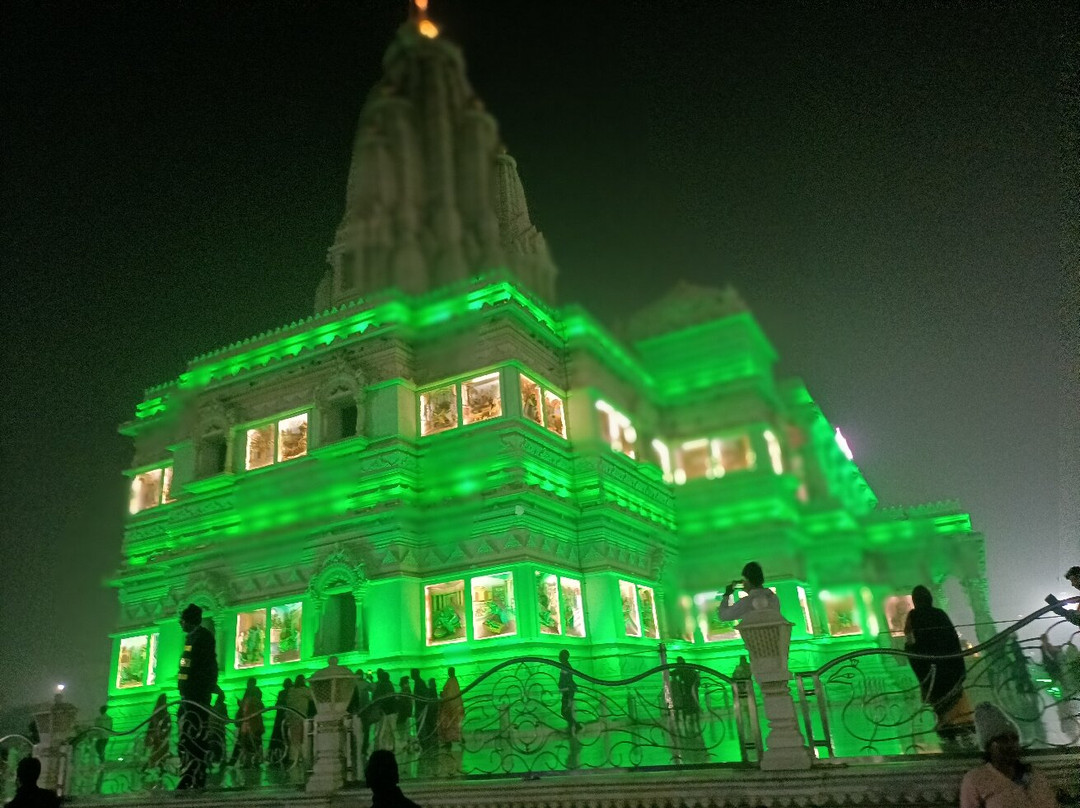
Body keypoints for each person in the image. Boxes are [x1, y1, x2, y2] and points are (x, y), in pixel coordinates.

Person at [903, 584, 975, 748]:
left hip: (930, 668)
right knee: (957, 700)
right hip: (949, 665)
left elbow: (909, 639)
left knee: (941, 702)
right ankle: (966, 733)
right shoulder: (940, 614)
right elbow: (952, 639)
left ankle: (948, 734)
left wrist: (910, 651)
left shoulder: (913, 616)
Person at [959, 702, 1059, 808]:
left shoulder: (1034, 776)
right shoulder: (975, 779)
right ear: (988, 746)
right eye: (1002, 739)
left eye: (1014, 739)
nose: (1011, 744)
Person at [176, 602, 218, 789]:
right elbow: (185, 666)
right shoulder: (192, 638)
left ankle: (195, 772)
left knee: (195, 732)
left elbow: (204, 665)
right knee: (188, 732)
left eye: (182, 620)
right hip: (189, 693)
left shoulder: (201, 638)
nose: (180, 624)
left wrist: (205, 686)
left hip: (196, 693)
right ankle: (191, 771)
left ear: (189, 621)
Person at [232, 678, 264, 768]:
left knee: (246, 743)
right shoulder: (257, 696)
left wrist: (241, 704)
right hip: (256, 724)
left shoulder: (250, 695)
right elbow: (261, 707)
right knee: (255, 743)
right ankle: (256, 761)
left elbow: (245, 707)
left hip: (248, 724)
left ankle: (246, 762)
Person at [285, 673, 313, 769]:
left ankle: (293, 757)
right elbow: (313, 697)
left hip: (292, 716)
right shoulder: (304, 690)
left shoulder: (291, 691)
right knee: (302, 738)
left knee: (294, 739)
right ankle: (300, 757)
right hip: (301, 717)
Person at [267, 678, 292, 767]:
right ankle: (284, 756)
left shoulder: (282, 693)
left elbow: (277, 705)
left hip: (280, 718)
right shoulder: (290, 692)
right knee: (285, 737)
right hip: (286, 717)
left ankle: (276, 756)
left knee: (279, 737)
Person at [144, 694, 171, 772]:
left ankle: (155, 769)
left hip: (159, 737)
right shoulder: (162, 712)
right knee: (159, 753)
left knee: (158, 753)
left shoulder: (157, 712)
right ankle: (157, 769)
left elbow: (151, 725)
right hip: (160, 737)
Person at [557, 650, 582, 736]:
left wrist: (562, 687)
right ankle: (573, 728)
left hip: (567, 691)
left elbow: (566, 679)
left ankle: (575, 727)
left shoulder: (565, 666)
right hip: (568, 690)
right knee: (567, 711)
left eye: (560, 656)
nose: (559, 657)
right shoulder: (565, 665)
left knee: (565, 711)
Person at [372, 670, 397, 752]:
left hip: (383, 711)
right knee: (391, 731)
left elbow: (376, 698)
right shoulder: (390, 685)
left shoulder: (380, 685)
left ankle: (381, 747)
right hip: (392, 711)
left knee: (381, 731)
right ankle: (391, 746)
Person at [208, 689, 228, 767]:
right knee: (221, 743)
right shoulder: (222, 706)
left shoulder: (212, 707)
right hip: (220, 728)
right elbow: (225, 718)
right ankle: (222, 760)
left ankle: (212, 759)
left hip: (212, 728)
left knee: (213, 744)